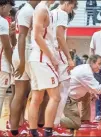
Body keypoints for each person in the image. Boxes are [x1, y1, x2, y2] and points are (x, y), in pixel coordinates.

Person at [28, 1, 61, 136]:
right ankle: (48, 131)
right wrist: (52, 57)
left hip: (37, 58)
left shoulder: (43, 9)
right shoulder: (42, 9)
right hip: (42, 58)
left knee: (37, 98)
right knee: (55, 97)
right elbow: (37, 36)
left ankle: (33, 131)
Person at [59, 55, 101, 129]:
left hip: (71, 94)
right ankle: (54, 121)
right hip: (68, 99)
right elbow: (98, 89)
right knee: (76, 124)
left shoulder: (86, 68)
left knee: (90, 93)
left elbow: (88, 85)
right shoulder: (86, 73)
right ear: (92, 62)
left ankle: (85, 120)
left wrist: (92, 92)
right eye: (99, 64)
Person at [9, 1, 40, 136]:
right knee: (36, 92)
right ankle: (34, 126)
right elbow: (22, 36)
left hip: (21, 53)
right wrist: (22, 61)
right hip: (25, 54)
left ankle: (15, 128)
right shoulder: (28, 11)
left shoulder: (25, 10)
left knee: (20, 94)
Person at [51, 0, 77, 130]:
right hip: (57, 53)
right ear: (68, 3)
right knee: (64, 89)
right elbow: (60, 36)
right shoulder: (62, 13)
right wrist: (69, 58)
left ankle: (42, 124)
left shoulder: (51, 12)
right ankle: (55, 124)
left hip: (47, 53)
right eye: (72, 7)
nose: (71, 10)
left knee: (47, 93)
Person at [0, 0, 15, 136]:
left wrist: (10, 34)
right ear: (3, 6)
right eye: (8, 9)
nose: (9, 12)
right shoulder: (1, 21)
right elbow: (7, 47)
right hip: (0, 63)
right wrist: (13, 63)